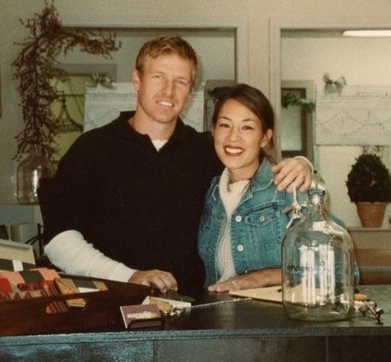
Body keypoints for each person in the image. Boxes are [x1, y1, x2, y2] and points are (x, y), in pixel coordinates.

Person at [43, 36, 311, 298]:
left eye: (180, 81)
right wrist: (129, 276)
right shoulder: (92, 149)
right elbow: (59, 242)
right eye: (158, 77)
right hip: (110, 314)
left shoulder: (207, 149)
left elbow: (256, 167)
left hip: (191, 320)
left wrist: (302, 165)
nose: (168, 91)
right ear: (137, 80)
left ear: (191, 90)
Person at [199, 84, 296, 292]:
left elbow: (340, 268)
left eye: (247, 127)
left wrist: (259, 278)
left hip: (271, 320)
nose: (233, 137)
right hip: (218, 318)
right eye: (225, 125)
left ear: (265, 137)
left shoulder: (288, 187)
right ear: (214, 131)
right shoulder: (211, 193)